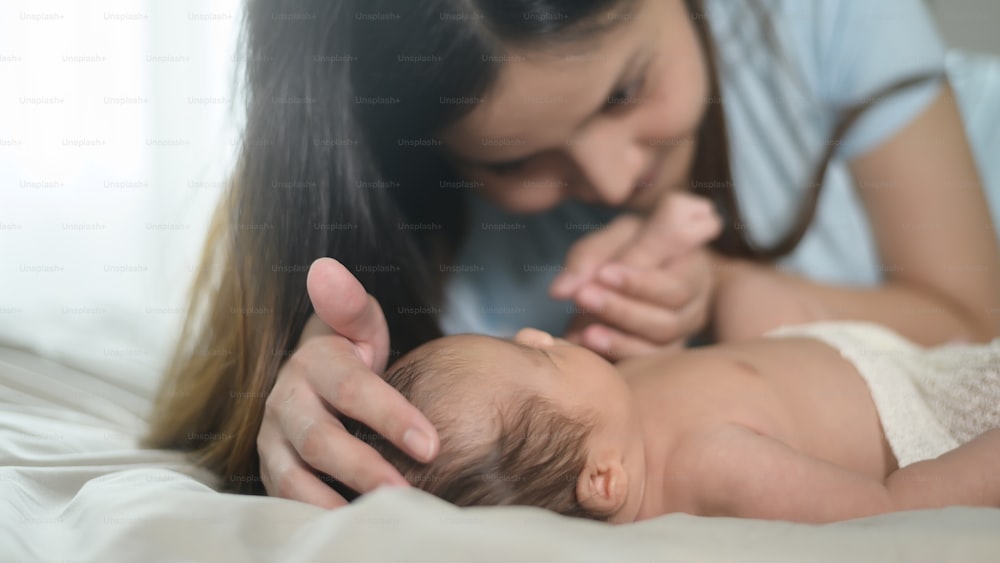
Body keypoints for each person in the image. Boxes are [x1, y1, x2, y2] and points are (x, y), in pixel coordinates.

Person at [144, 0, 1000, 509]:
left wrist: (726, 290)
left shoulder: (818, 19)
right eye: (514, 160)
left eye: (625, 88)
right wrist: (318, 408)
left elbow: (973, 318)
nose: (614, 174)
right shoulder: (458, 268)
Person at [345, 324, 1000, 524]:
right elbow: (889, 509)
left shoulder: (610, 414)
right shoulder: (707, 465)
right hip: (938, 408)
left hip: (879, 349)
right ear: (604, 477)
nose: (535, 328)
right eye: (536, 354)